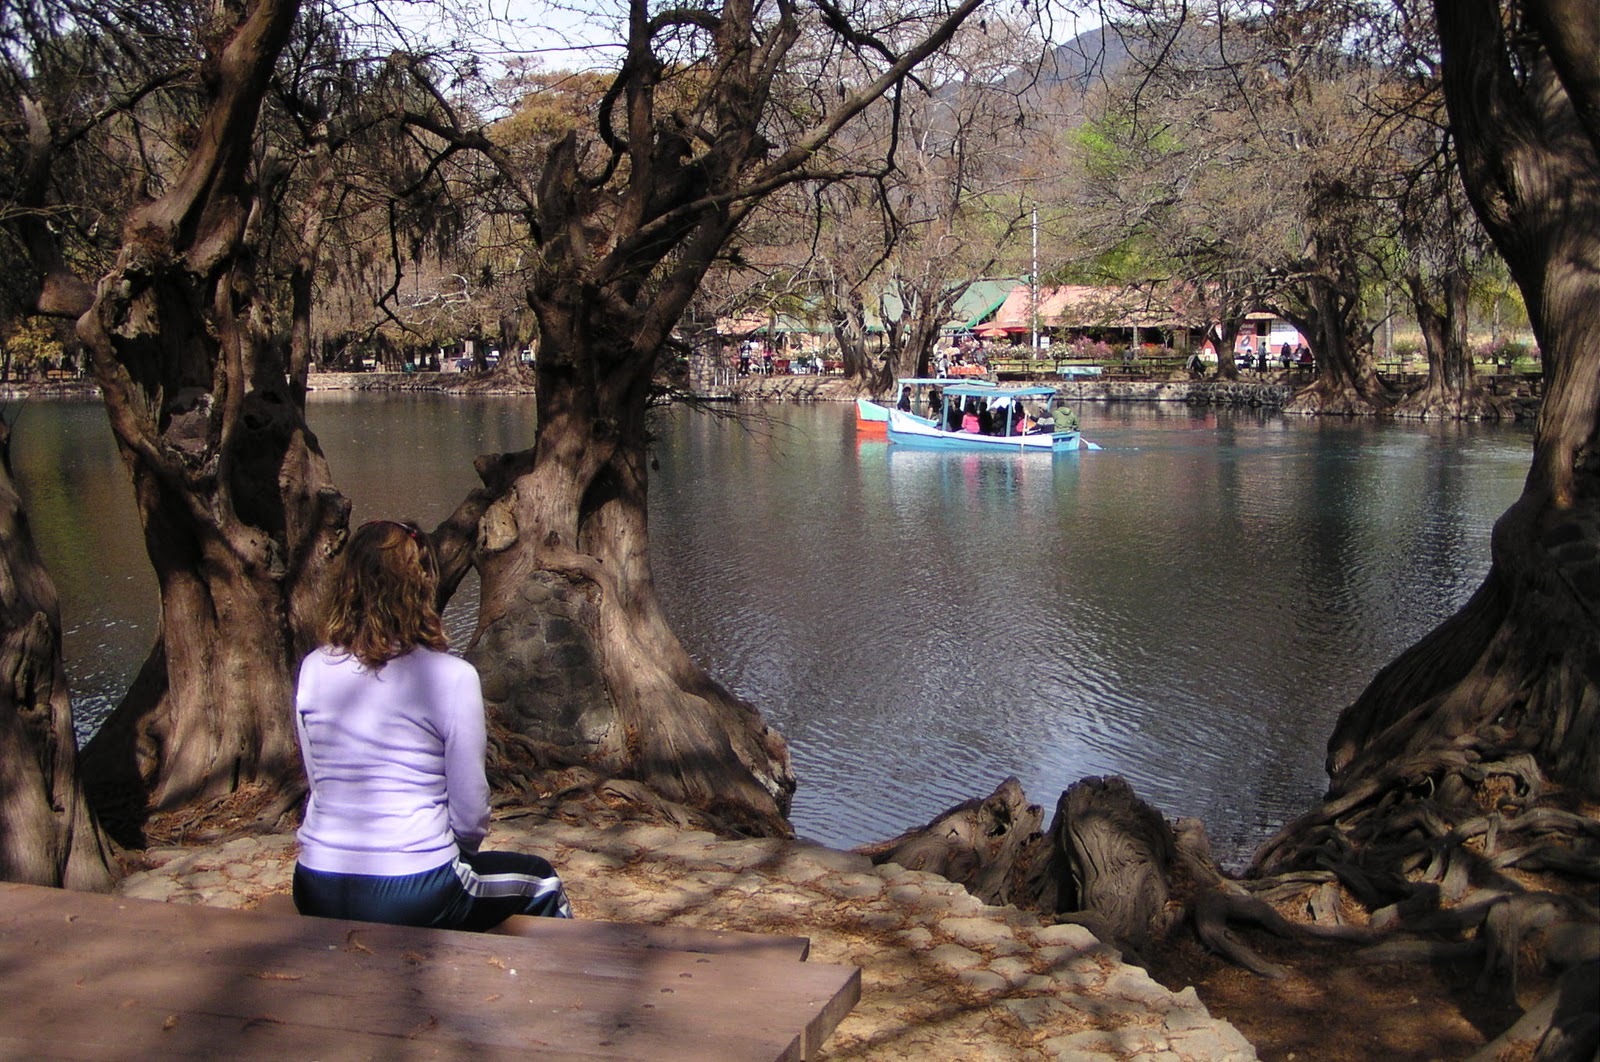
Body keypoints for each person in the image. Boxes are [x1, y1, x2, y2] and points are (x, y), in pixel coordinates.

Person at [293, 519, 572, 930]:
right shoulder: (451, 677)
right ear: (421, 587)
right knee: (542, 881)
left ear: (348, 584)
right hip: (416, 887)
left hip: (316, 883)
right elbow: (471, 814)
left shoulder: (314, 668)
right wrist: (447, 854)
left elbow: (319, 784)